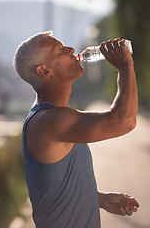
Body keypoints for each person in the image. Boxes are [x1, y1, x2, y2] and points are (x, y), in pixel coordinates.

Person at [13, 31, 139, 228]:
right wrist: (125, 66)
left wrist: (99, 199)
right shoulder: (50, 121)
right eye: (60, 50)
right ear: (44, 71)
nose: (71, 49)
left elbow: (54, 185)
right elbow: (125, 121)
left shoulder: (55, 117)